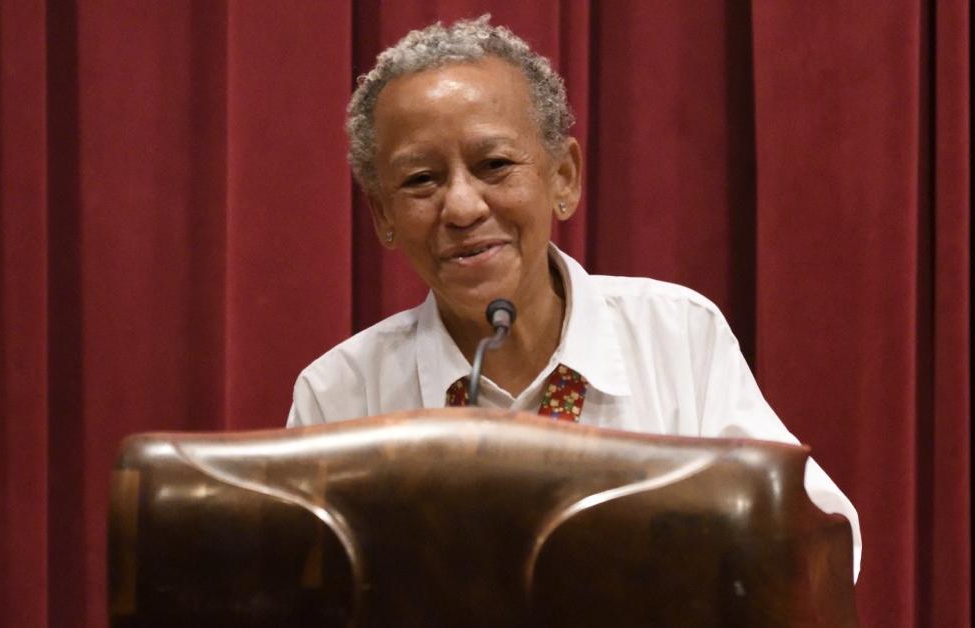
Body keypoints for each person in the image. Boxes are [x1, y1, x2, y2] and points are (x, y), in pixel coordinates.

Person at [287, 15, 860, 580]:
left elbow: (819, 537)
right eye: (420, 181)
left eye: (494, 165)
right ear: (383, 215)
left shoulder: (677, 335)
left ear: (563, 177)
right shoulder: (340, 395)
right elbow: (299, 592)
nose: (462, 208)